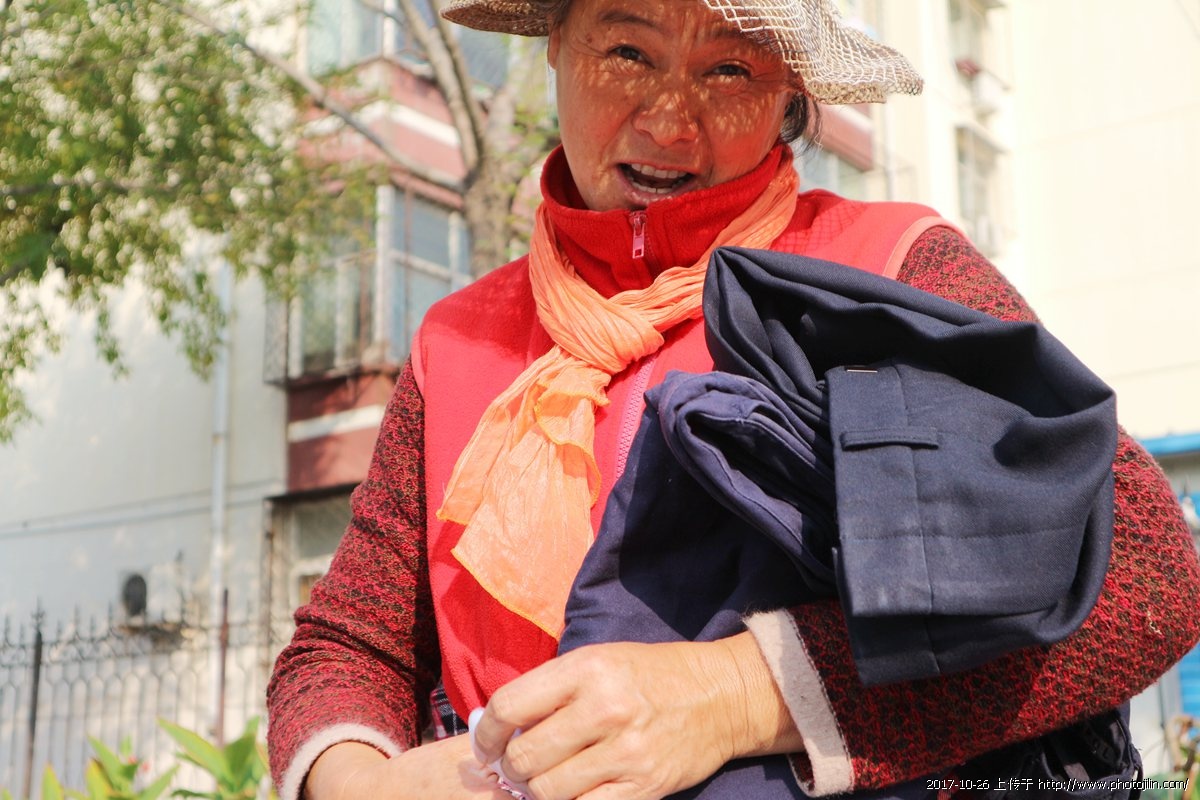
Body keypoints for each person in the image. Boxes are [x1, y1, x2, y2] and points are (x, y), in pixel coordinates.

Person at [266, 1, 1200, 798]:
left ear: (791, 94)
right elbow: (349, 642)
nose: (670, 122)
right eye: (626, 50)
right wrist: (360, 782)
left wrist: (737, 695)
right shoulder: (459, 339)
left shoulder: (888, 271)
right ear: (555, 43)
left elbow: (1148, 575)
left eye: (729, 70)